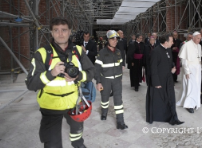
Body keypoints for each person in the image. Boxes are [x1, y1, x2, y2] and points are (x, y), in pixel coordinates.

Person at [25, 17, 94, 148]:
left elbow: (91, 72)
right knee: (52, 142)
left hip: (73, 103)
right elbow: (31, 84)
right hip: (50, 105)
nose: (60, 33)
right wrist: (51, 74)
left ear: (69, 32)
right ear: (51, 33)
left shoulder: (78, 51)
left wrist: (78, 76)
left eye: (64, 30)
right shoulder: (42, 54)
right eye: (56, 30)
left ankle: (78, 144)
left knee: (77, 133)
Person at [146, 34, 184, 125]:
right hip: (159, 80)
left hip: (168, 79)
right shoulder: (156, 51)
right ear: (166, 42)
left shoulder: (168, 50)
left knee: (170, 98)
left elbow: (170, 62)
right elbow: (153, 68)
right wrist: (156, 82)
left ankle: (172, 117)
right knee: (158, 100)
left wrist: (173, 67)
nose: (173, 42)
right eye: (171, 41)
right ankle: (158, 117)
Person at [95, 30, 128, 129]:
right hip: (105, 80)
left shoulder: (118, 52)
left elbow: (120, 66)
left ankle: (120, 122)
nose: (115, 41)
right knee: (105, 98)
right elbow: (97, 69)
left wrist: (120, 77)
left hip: (117, 80)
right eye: (112, 39)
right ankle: (104, 113)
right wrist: (98, 82)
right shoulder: (102, 53)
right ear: (107, 40)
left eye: (116, 39)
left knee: (118, 100)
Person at [176, 32, 202, 113]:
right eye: (198, 38)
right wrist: (187, 71)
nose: (199, 40)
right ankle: (189, 105)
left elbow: (199, 58)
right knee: (190, 87)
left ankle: (195, 103)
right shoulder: (186, 45)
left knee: (197, 87)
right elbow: (184, 60)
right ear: (193, 38)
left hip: (197, 69)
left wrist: (200, 68)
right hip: (189, 69)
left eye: (200, 38)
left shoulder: (199, 46)